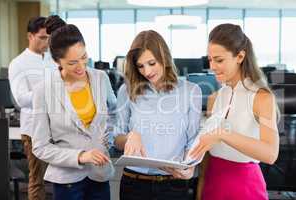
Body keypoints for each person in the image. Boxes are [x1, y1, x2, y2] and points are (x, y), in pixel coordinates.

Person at [189, 23, 279, 200]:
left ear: (240, 56)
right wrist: (200, 191)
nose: (212, 66)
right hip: (212, 183)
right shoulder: (214, 98)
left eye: (219, 60)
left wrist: (223, 134)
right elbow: (208, 154)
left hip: (244, 186)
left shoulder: (261, 97)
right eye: (210, 59)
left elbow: (270, 154)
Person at [113, 30, 202, 200]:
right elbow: (116, 140)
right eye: (140, 66)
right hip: (134, 183)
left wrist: (190, 168)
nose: (147, 71)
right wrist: (130, 136)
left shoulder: (191, 91)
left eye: (152, 63)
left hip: (173, 186)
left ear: (164, 57)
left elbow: (193, 141)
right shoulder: (127, 91)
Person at [31, 24, 116, 200]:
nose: (81, 66)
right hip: (67, 180)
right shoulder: (44, 90)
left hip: (99, 174)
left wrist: (108, 139)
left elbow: (113, 113)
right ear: (57, 61)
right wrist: (80, 156)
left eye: (83, 57)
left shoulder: (100, 78)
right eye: (72, 62)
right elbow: (40, 147)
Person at [8, 16, 49, 200]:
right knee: (37, 179)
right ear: (30, 36)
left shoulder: (52, 59)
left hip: (57, 126)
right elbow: (21, 99)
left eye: (49, 37)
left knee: (61, 178)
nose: (46, 41)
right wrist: (49, 93)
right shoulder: (18, 63)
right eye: (42, 37)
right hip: (34, 130)